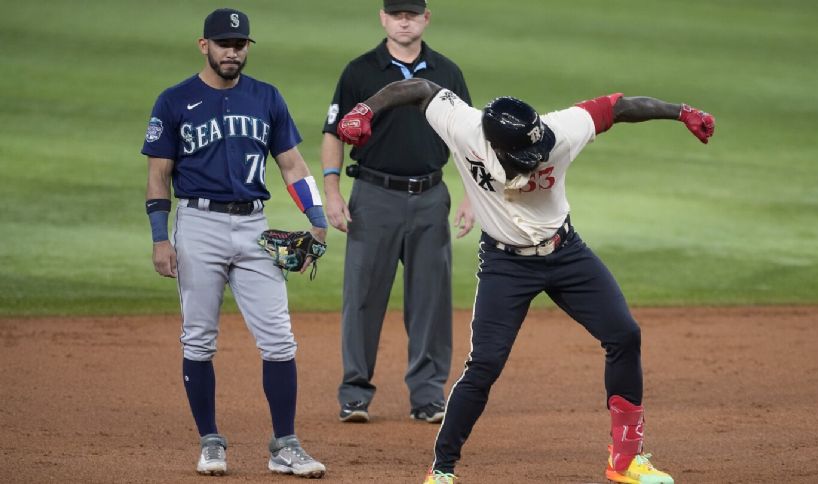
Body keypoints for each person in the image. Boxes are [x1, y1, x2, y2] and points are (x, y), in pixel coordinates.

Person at [336, 78, 715, 483]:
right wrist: (366, 108)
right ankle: (442, 471)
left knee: (624, 335)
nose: (535, 160)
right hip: (506, 266)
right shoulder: (464, 126)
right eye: (523, 156)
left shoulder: (562, 131)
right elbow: (418, 88)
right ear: (494, 146)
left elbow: (618, 107)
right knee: (484, 365)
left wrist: (681, 111)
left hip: (565, 252)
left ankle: (625, 462)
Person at [141, 8, 327, 478]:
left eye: (240, 44)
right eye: (223, 43)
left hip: (254, 226)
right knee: (199, 337)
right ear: (204, 45)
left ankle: (284, 444)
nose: (232, 51)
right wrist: (161, 239)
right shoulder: (174, 100)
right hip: (197, 225)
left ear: (248, 48)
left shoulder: (266, 97)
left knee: (280, 338)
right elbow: (158, 176)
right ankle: (210, 441)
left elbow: (291, 164)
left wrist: (317, 216)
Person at [320, 0, 474, 424]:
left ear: (426, 18)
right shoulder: (359, 71)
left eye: (412, 13)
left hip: (430, 197)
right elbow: (333, 133)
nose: (403, 20)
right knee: (363, 298)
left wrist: (472, 195)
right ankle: (354, 393)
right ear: (383, 18)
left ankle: (427, 396)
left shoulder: (447, 72)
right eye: (396, 13)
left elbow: (468, 137)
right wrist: (332, 192)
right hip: (373, 195)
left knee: (430, 301)